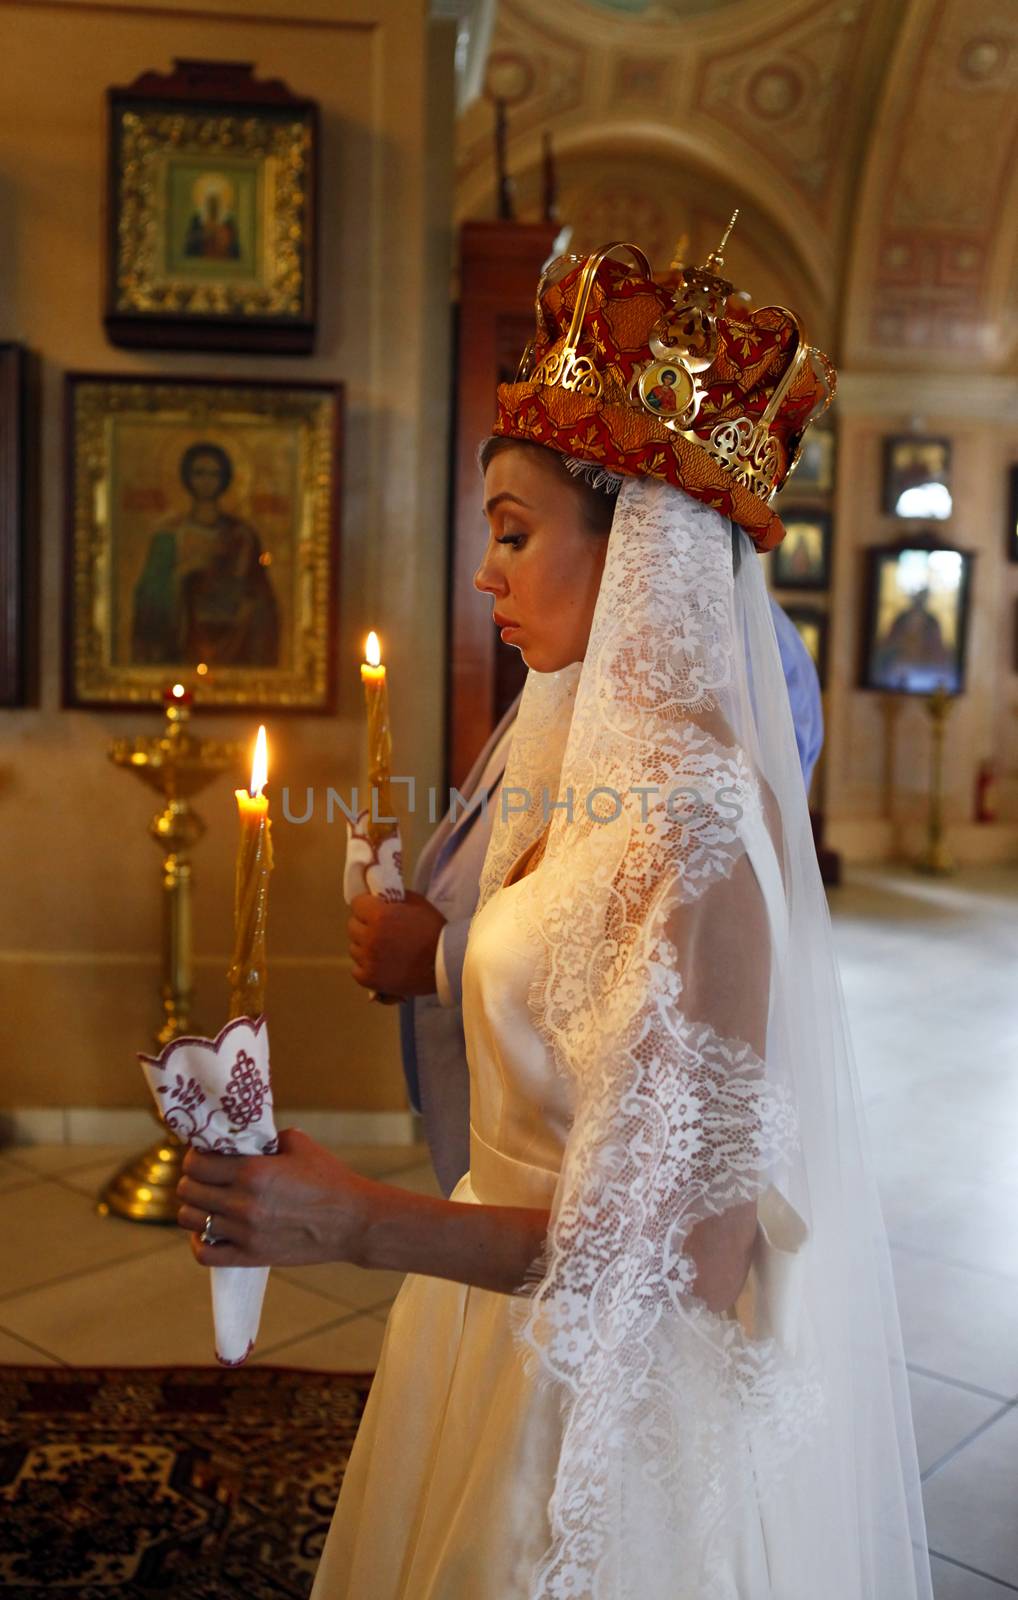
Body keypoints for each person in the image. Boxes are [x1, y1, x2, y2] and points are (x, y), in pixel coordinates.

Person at [176, 239, 931, 1599]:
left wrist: (354, 1225)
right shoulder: (573, 756)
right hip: (486, 1331)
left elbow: (688, 1267)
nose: (485, 574)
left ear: (638, 551)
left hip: (610, 1400)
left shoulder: (697, 828)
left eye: (514, 533)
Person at [357, 574, 821, 1202]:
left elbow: (691, 922)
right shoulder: (587, 647)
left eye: (517, 534)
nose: (485, 572)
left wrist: (442, 957)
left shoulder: (721, 659)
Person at [131, 442, 280, 668]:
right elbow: (149, 597)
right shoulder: (168, 535)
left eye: (214, 474)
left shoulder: (241, 535)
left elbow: (260, 595)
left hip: (234, 638)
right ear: (186, 477)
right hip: (183, 634)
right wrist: (182, 574)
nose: (206, 481)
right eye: (199, 473)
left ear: (225, 479)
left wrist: (241, 602)